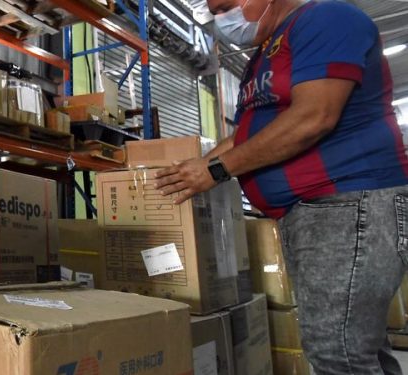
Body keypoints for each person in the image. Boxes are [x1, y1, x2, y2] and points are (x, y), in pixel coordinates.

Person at [153, 0, 408, 373]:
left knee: (336, 351)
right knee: (354, 347)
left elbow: (314, 116)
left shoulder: (327, 18)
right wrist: (197, 168)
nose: (223, 19)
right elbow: (247, 134)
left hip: (350, 200)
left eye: (226, 6)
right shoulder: (267, 52)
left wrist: (218, 169)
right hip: (316, 212)